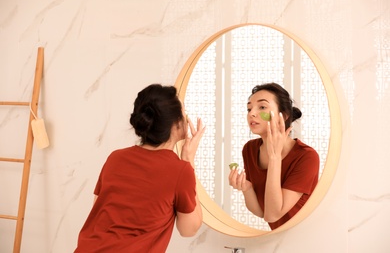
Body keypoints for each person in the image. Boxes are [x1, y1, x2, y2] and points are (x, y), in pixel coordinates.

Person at [75, 84, 206, 252]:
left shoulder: (115, 158)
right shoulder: (180, 171)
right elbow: (189, 229)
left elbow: (99, 212)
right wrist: (188, 160)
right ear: (176, 124)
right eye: (183, 111)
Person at [228, 82, 319, 230]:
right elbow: (263, 212)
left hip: (308, 238)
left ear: (284, 116)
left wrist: (274, 158)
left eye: (262, 107)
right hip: (278, 239)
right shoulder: (249, 149)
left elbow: (273, 215)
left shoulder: (307, 157)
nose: (252, 113)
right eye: (249, 108)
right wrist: (247, 188)